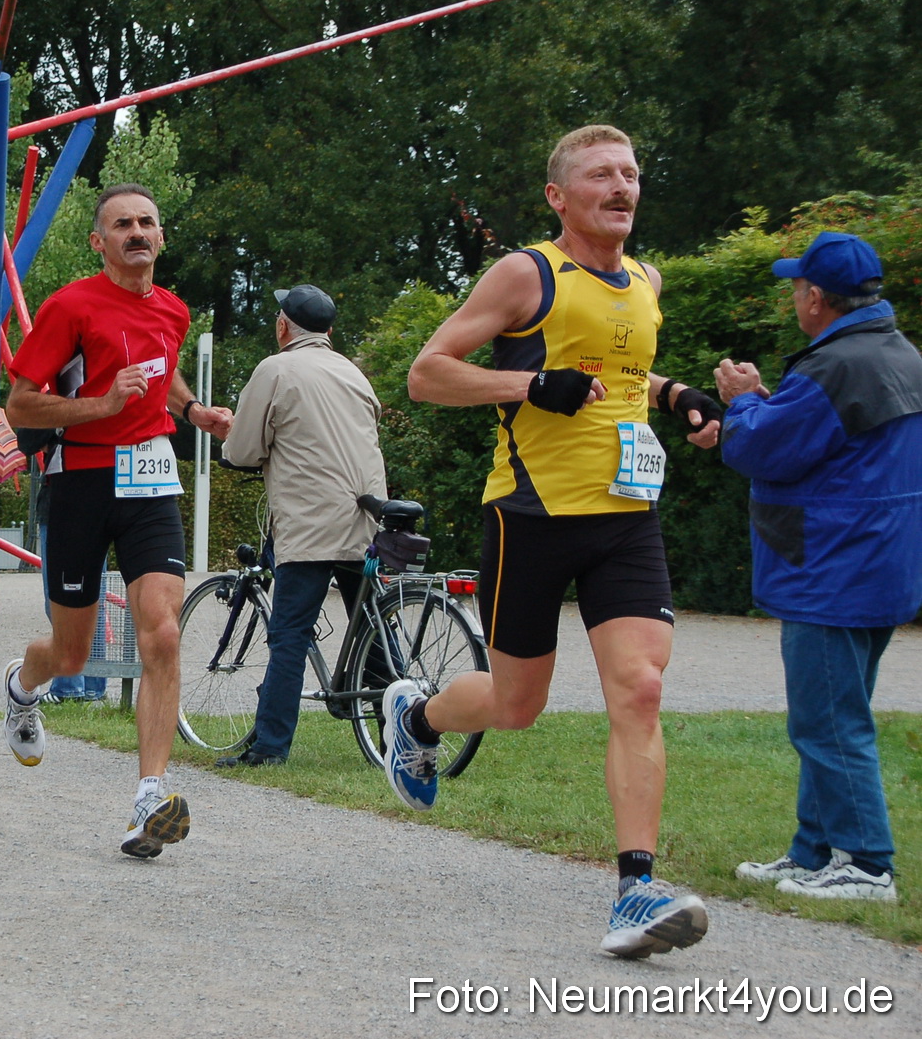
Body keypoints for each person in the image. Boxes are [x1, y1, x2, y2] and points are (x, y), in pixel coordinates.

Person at [393, 125, 724, 957]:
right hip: (529, 515)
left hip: (626, 519)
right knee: (517, 705)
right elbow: (427, 372)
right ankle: (419, 717)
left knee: (640, 688)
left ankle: (634, 889)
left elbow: (622, 370)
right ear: (559, 197)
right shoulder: (526, 273)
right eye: (602, 175)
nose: (622, 187)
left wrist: (677, 392)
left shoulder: (646, 281)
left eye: (632, 174)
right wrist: (530, 384)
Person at [3, 183, 233, 858]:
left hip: (151, 477)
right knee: (72, 652)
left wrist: (192, 412)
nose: (137, 232)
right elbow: (20, 404)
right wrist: (102, 405)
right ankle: (23, 685)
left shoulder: (173, 308)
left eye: (147, 223)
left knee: (161, 631)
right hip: (79, 478)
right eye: (122, 224)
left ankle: (150, 796)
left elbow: (164, 372)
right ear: (98, 242)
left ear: (161, 238)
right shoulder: (69, 306)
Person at [715, 231, 922, 902]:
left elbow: (761, 448)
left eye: (797, 287)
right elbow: (829, 445)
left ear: (815, 297)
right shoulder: (894, 353)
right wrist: (770, 407)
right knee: (833, 713)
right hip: (876, 562)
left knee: (829, 722)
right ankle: (813, 851)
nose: (794, 296)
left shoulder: (834, 365)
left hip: (832, 568)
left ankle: (866, 863)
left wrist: (744, 399)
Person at [217, 284, 387, 767]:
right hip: (365, 520)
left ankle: (271, 746)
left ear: (282, 326)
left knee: (289, 633)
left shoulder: (276, 369)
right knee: (372, 630)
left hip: (310, 525)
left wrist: (233, 451)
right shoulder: (354, 373)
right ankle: (397, 730)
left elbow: (243, 449)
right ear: (329, 331)